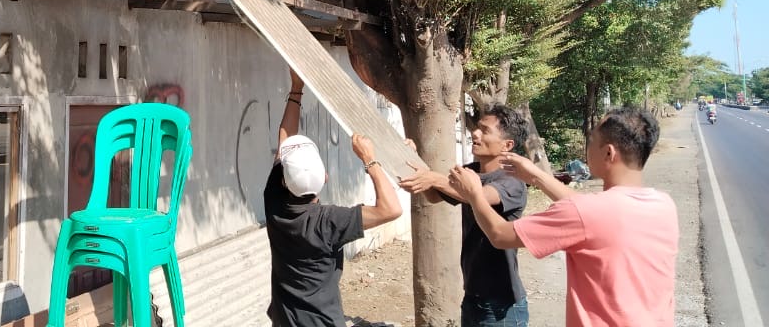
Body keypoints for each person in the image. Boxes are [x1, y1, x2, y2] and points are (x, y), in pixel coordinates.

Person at [449, 106, 679, 327]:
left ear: (608, 153)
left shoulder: (586, 213)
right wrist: (537, 176)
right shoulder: (663, 206)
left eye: (591, 142)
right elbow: (592, 211)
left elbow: (500, 235)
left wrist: (474, 193)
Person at [265, 70, 402, 326]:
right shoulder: (328, 222)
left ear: (283, 180)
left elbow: (284, 140)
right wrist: (369, 159)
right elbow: (391, 209)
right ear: (325, 177)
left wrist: (296, 88)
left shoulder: (275, 203)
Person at [397, 105, 530, 326]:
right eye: (477, 128)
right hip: (472, 296)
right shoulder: (470, 171)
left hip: (501, 306)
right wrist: (412, 161)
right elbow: (434, 196)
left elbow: (479, 196)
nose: (475, 134)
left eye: (485, 131)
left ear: (507, 145)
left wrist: (433, 178)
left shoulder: (512, 179)